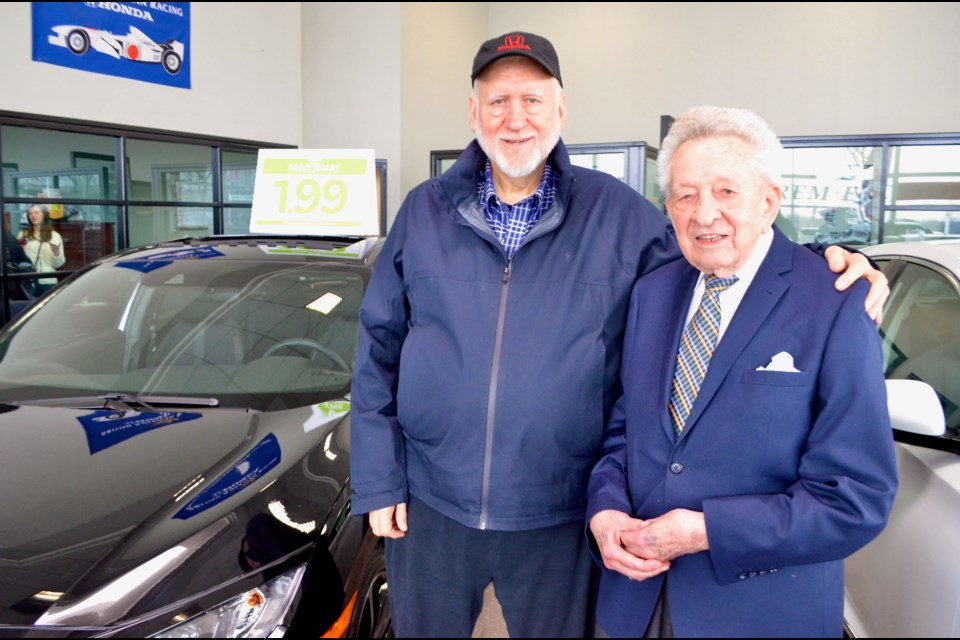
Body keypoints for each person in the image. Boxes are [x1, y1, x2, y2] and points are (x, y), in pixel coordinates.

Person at [350, 32, 888, 638]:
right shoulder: (421, 213)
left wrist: (829, 262)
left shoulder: (623, 216)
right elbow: (377, 348)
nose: (515, 119)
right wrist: (377, 478)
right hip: (432, 504)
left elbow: (720, 255)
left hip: (558, 509)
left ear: (562, 109)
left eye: (533, 99)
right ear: (473, 113)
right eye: (497, 102)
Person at [586, 106, 899, 637]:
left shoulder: (835, 302)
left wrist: (708, 531)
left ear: (769, 200)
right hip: (636, 599)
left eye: (727, 191)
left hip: (758, 612)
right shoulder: (651, 294)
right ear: (669, 207)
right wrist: (605, 512)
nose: (704, 214)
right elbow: (624, 433)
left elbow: (855, 497)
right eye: (686, 195)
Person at [18, 203, 65, 294]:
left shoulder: (54, 236)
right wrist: (21, 250)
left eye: (36, 213)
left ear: (44, 215)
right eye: (30, 213)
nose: (33, 215)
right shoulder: (23, 234)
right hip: (28, 280)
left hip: (48, 281)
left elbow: (58, 265)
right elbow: (18, 259)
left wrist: (56, 254)